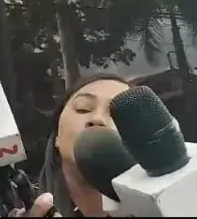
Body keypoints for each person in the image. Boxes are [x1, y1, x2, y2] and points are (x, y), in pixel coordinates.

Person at [37, 73, 131, 217]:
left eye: (117, 114)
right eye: (83, 108)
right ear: (57, 136)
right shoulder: (20, 206)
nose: (98, 119)